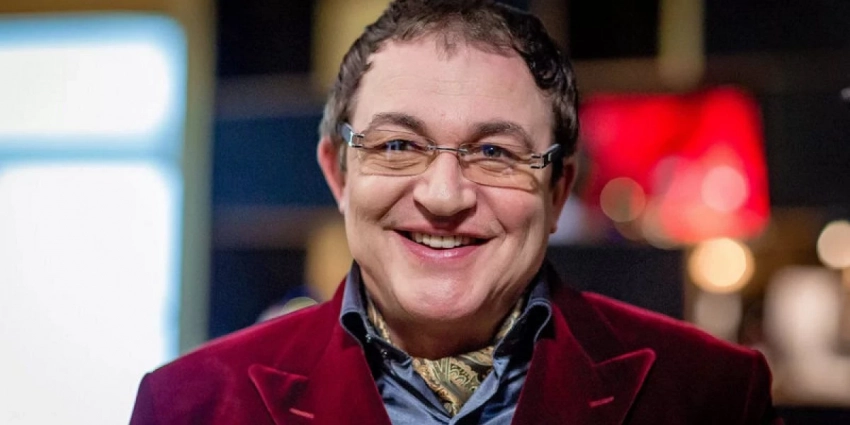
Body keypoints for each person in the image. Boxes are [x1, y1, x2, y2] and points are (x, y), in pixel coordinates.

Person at [130, 1, 782, 423]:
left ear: (558, 190)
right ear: (338, 172)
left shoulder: (713, 395)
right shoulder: (191, 404)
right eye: (398, 146)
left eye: (495, 153)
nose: (444, 197)